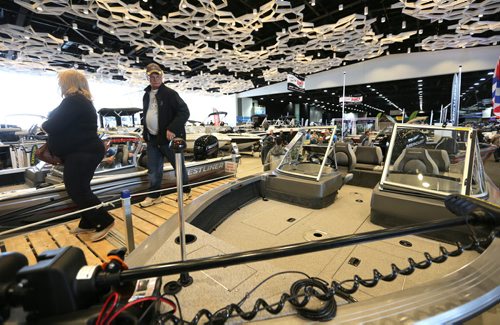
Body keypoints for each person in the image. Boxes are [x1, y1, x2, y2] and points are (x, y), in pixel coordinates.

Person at [42, 70, 114, 241]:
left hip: (83, 152)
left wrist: (44, 123)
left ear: (69, 83)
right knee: (80, 188)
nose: (60, 85)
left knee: (76, 189)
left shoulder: (73, 101)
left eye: (61, 82)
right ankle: (88, 222)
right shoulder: (80, 101)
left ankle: (104, 221)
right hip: (84, 151)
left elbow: (52, 125)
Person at [140, 63, 191, 207]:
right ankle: (154, 196)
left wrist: (172, 128)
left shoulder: (170, 94)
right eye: (152, 76)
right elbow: (147, 115)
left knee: (178, 167)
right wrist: (146, 134)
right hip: (152, 139)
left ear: (162, 76)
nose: (155, 79)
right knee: (153, 170)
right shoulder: (146, 95)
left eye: (157, 76)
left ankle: (186, 191)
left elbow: (184, 112)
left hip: (169, 139)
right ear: (148, 77)